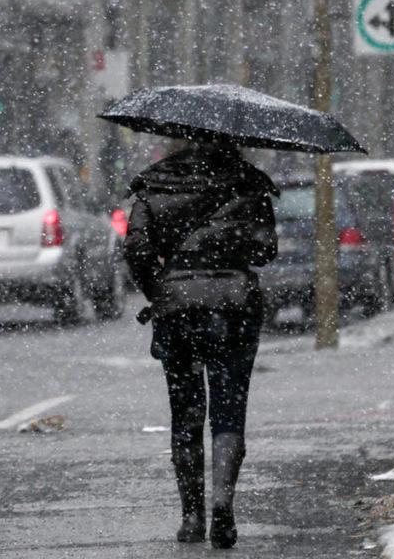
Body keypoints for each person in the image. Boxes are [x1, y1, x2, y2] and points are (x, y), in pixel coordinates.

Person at [123, 140, 278, 549]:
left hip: (176, 311)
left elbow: (136, 248)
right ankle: (223, 505)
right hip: (234, 307)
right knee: (228, 410)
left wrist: (159, 290)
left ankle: (191, 516)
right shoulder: (247, 182)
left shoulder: (153, 185)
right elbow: (265, 250)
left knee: (186, 412)